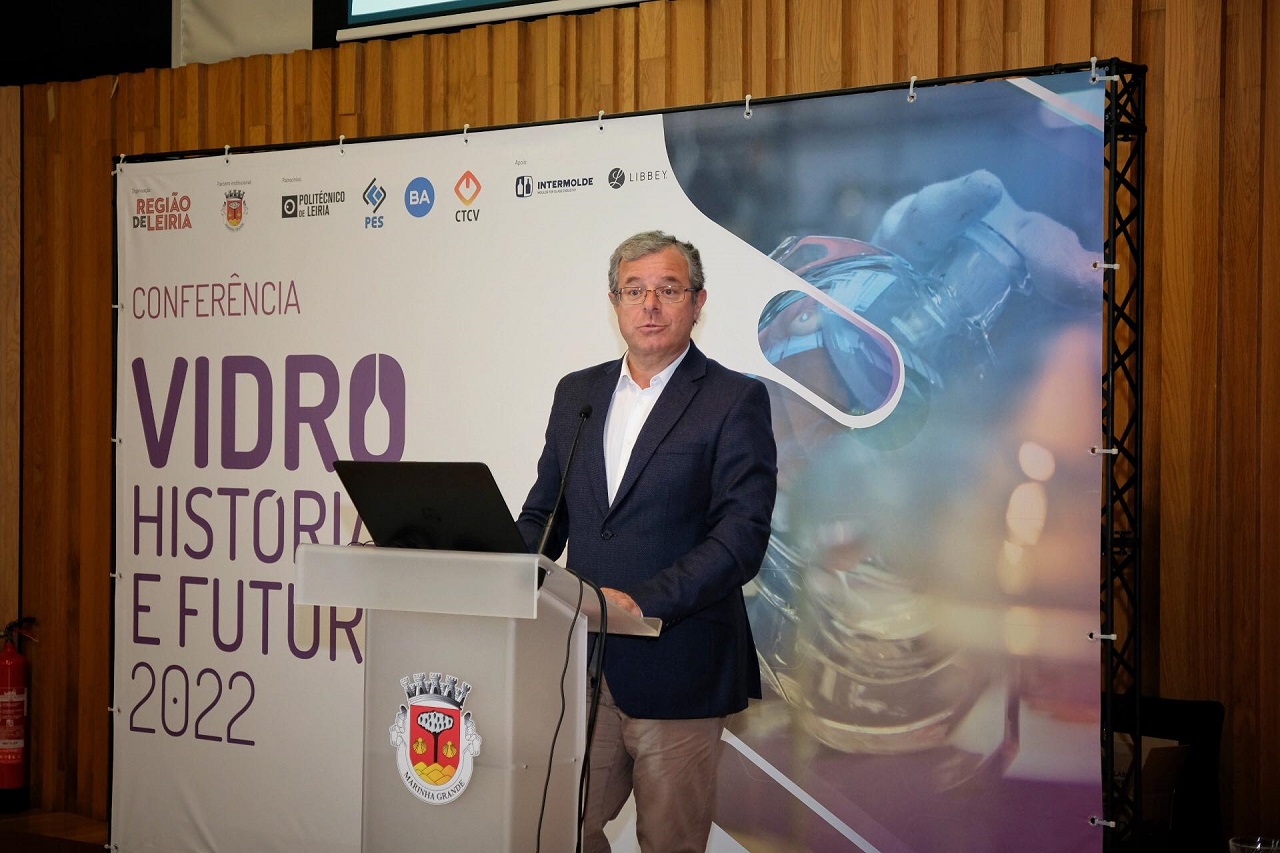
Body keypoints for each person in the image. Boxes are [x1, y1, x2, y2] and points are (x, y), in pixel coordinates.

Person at [517, 230, 778, 853]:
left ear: (698, 301)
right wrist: (497, 569)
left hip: (679, 664)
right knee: (557, 833)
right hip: (581, 666)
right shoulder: (577, 394)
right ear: (615, 302)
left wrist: (643, 601)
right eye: (634, 291)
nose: (650, 305)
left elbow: (740, 536)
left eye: (668, 289)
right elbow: (545, 514)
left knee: (669, 843)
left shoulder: (734, 398)